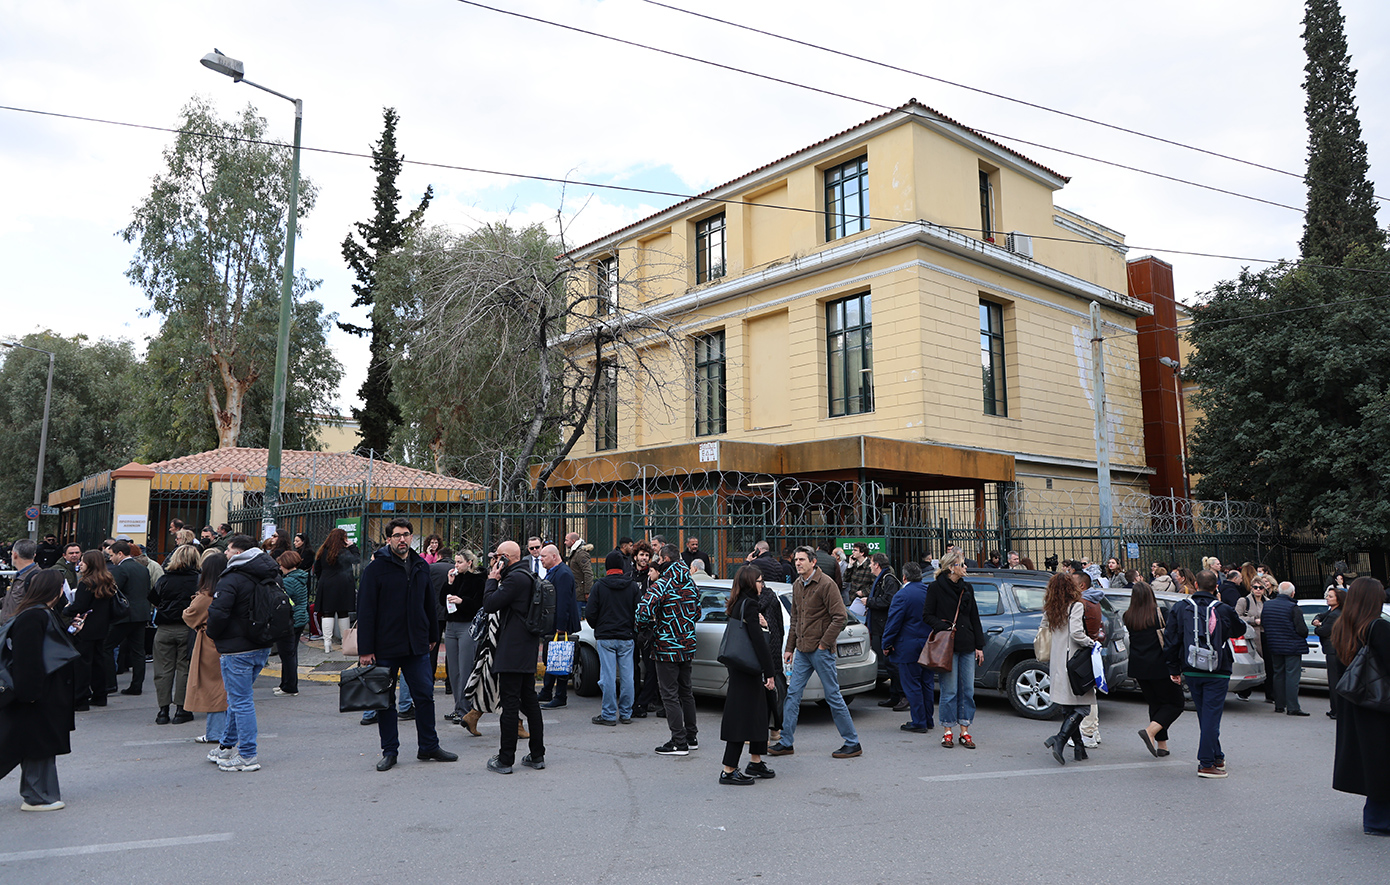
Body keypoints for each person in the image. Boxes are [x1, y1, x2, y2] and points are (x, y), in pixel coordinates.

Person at [356, 518, 457, 772]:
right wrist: (365, 649)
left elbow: (429, 603)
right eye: (397, 535)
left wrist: (432, 635)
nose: (402, 539)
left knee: (424, 697)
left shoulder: (420, 565)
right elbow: (365, 610)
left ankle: (429, 746)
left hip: (416, 646)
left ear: (412, 537)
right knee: (385, 702)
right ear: (388, 539)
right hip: (385, 647)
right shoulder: (376, 569)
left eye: (406, 534)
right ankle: (390, 751)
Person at [768, 546, 861, 759]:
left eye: (802, 559)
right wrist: (790, 648)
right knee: (793, 695)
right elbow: (795, 619)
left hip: (820, 651)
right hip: (802, 650)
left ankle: (852, 742)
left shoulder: (826, 584)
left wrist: (823, 644)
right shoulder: (797, 585)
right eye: (796, 559)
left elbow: (840, 617)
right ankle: (786, 742)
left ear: (813, 561)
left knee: (833, 696)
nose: (797, 563)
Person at [0, 570, 77, 811]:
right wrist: (30, 694)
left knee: (38, 743)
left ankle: (41, 794)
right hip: (37, 693)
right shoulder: (35, 615)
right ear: (55, 590)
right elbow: (27, 658)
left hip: (41, 691)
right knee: (37, 743)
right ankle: (37, 796)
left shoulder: (37, 612)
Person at [204, 535, 279, 772]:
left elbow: (218, 613)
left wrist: (213, 634)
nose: (225, 554)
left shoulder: (232, 577)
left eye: (228, 550)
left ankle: (247, 755)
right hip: (261, 643)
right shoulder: (270, 573)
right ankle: (226, 746)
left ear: (238, 553)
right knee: (238, 700)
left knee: (241, 701)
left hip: (237, 648)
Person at [1163, 569, 1245, 778]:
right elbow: (1239, 629)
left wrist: (1173, 668)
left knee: (1205, 715)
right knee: (1211, 716)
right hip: (1218, 669)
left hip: (1191, 668)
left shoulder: (1181, 607)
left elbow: (1171, 639)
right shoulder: (1223, 609)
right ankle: (1206, 763)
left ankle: (1217, 756)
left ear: (1196, 585)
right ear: (1216, 587)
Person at [1330, 577, 1390, 836]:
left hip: (1355, 702)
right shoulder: (1378, 627)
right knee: (1383, 761)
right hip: (1380, 703)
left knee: (1372, 761)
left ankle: (1375, 817)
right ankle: (1378, 820)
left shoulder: (1342, 626)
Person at [482, 541, 546, 774]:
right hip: (526, 648)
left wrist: (492, 579)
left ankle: (505, 759)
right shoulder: (527, 575)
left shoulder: (515, 579)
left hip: (512, 650)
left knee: (510, 704)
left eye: (497, 557)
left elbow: (490, 604)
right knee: (529, 701)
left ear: (506, 558)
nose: (494, 561)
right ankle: (537, 755)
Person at [717, 566, 778, 785]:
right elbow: (758, 642)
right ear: (751, 583)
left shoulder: (738, 602)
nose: (762, 585)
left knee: (758, 713)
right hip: (747, 670)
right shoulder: (750, 605)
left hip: (741, 668)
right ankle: (729, 769)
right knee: (741, 717)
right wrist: (770, 672)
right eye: (760, 581)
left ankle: (756, 761)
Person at [637, 544, 701, 756]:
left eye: (658, 557)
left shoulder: (662, 584)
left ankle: (678, 742)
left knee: (669, 695)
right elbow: (698, 612)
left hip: (666, 647)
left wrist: (646, 628)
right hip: (687, 645)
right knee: (686, 692)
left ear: (665, 559)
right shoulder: (690, 583)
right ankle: (691, 737)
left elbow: (642, 611)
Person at [923, 551, 986, 750]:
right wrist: (944, 627)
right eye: (962, 564)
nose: (966, 567)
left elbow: (974, 617)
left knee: (967, 690)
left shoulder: (967, 588)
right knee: (949, 690)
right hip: (947, 647)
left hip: (967, 644)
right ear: (952, 567)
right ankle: (947, 730)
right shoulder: (935, 588)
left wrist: (979, 646)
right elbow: (927, 615)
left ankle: (965, 731)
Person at [1124, 580, 1184, 758]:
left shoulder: (1128, 616)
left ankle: (1162, 745)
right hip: (1160, 665)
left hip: (1139, 667)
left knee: (1156, 704)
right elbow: (1171, 639)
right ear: (1151, 595)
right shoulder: (1160, 613)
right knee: (1176, 704)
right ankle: (1150, 731)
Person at [1043, 572, 1095, 764]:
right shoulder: (1076, 605)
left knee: (1068, 706)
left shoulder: (1050, 607)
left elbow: (1043, 629)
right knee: (1083, 707)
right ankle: (1060, 738)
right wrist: (1091, 643)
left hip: (1057, 660)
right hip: (1073, 661)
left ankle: (1079, 749)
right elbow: (1076, 633)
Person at [585, 550, 639, 726]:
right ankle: (626, 713)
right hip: (626, 636)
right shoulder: (632, 586)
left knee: (607, 676)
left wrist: (598, 626)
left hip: (606, 636)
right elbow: (639, 611)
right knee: (628, 676)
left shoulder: (599, 586)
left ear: (606, 566)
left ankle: (608, 714)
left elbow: (590, 613)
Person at [881, 561, 934, 733]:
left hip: (908, 646)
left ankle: (919, 722)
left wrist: (886, 643)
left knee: (912, 685)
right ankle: (928, 719)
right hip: (927, 644)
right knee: (926, 683)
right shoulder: (928, 591)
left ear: (904, 577)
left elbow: (894, 622)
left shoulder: (902, 595)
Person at [149, 544, 200, 724]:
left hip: (164, 628)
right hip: (188, 628)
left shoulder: (164, 579)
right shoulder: (198, 580)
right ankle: (181, 708)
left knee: (163, 670)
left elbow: (153, 599)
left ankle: (163, 710)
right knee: (184, 669)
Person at [183, 552, 229, 747]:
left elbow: (189, 615)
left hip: (209, 644)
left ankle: (215, 732)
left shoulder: (206, 596)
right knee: (226, 687)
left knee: (213, 688)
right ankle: (224, 731)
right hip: (228, 641)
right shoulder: (229, 590)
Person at [62, 550, 115, 710]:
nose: (80, 563)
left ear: (90, 564)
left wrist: (67, 609)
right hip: (102, 626)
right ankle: (100, 695)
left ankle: (81, 699)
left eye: (83, 561)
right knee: (98, 661)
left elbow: (80, 606)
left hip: (85, 627)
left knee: (82, 664)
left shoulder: (86, 583)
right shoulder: (107, 580)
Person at [443, 551, 486, 729]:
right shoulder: (455, 578)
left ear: (469, 563)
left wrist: (462, 601)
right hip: (451, 626)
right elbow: (442, 600)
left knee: (465, 667)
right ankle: (458, 706)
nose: (456, 565)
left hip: (467, 625)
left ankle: (465, 709)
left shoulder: (478, 579)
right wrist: (449, 583)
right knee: (453, 670)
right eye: (455, 562)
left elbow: (479, 604)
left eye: (460, 562)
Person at [104, 539, 152, 696]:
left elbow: (113, 592)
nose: (111, 559)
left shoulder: (121, 570)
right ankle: (137, 685)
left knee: (106, 647)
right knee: (138, 651)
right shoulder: (142, 568)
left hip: (124, 615)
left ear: (120, 554)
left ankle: (110, 684)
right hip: (141, 614)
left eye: (111, 555)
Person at [538, 544, 580, 709]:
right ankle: (546, 691)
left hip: (561, 625)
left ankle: (560, 696)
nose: (541, 559)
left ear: (554, 557)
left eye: (544, 556)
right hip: (554, 623)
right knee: (552, 657)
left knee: (562, 658)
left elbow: (563, 602)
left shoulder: (563, 574)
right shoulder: (555, 571)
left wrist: (561, 626)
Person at [1262, 580, 1310, 716]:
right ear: (1292, 593)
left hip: (1274, 645)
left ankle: (1279, 704)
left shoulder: (1268, 605)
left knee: (1278, 674)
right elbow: (1302, 629)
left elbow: (1264, 623)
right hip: (1292, 646)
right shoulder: (1293, 608)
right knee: (1292, 676)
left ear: (1278, 591)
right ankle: (1293, 706)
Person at [866, 553, 904, 710]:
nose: (869, 566)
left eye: (871, 563)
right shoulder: (882, 579)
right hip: (881, 626)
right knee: (889, 664)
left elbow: (888, 601)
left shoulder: (888, 579)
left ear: (877, 565)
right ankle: (895, 696)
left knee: (892, 663)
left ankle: (902, 696)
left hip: (886, 626)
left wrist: (869, 601)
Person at [314, 528, 360, 654]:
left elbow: (317, 569)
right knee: (343, 612)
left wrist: (323, 579)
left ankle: (327, 643)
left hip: (326, 583)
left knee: (327, 612)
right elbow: (356, 560)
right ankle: (345, 642)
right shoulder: (344, 551)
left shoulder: (323, 550)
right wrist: (353, 546)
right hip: (343, 584)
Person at [273, 551, 309, 697]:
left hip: (291, 620)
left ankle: (289, 686)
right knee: (291, 653)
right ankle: (286, 684)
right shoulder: (300, 577)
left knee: (287, 654)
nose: (280, 567)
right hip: (300, 618)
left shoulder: (288, 581)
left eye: (281, 564)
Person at [1234, 575, 1272, 702]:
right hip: (1251, 636)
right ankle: (1244, 692)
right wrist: (1253, 620)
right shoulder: (1244, 601)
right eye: (1255, 587)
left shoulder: (1268, 601)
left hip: (1266, 635)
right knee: (1251, 665)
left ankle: (1270, 694)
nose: (1258, 590)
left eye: (1261, 588)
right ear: (1251, 588)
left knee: (1269, 665)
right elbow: (1236, 617)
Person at [1314, 584, 1347, 719]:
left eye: (1330, 596)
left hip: (1333, 651)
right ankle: (1335, 709)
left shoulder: (1335, 615)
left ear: (1338, 600)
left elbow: (1323, 631)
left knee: (1334, 681)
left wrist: (1318, 627)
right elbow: (1320, 615)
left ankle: (1336, 710)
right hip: (1334, 650)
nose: (1327, 598)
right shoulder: (1332, 612)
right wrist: (1318, 620)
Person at [564, 532, 593, 605]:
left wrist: (587, 592)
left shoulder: (581, 554)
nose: (565, 542)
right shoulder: (575, 552)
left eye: (566, 540)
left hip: (580, 595)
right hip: (576, 592)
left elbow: (588, 573)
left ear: (573, 541)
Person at [843, 543, 873, 610]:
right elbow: (846, 579)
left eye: (855, 550)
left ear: (862, 553)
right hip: (853, 598)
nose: (852, 552)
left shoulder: (870, 565)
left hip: (865, 600)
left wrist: (863, 592)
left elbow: (875, 583)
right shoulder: (854, 564)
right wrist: (850, 565)